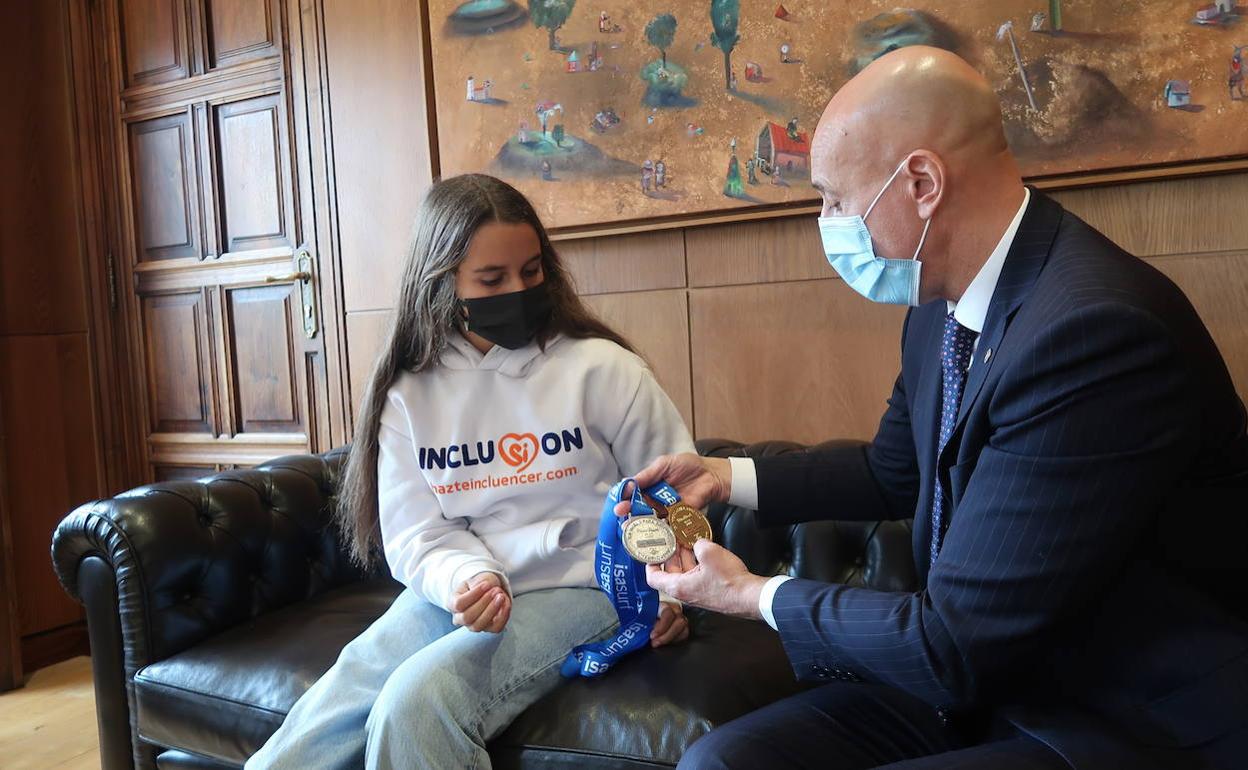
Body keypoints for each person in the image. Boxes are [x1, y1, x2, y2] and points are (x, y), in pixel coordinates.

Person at [622, 47, 1248, 769]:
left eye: (832, 199)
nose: (826, 223)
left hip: (1116, 714)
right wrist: (723, 477)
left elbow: (954, 642)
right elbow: (895, 472)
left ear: (919, 181)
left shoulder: (1094, 332)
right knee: (724, 763)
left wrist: (749, 594)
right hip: (979, 682)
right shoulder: (940, 303)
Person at [248, 174, 694, 770]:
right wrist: (471, 580)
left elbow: (675, 494)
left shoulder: (605, 370)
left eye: (531, 272)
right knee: (323, 719)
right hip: (462, 593)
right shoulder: (408, 393)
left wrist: (669, 589)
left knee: (418, 703)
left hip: (587, 586)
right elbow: (418, 533)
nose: (518, 289)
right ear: (441, 281)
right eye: (492, 279)